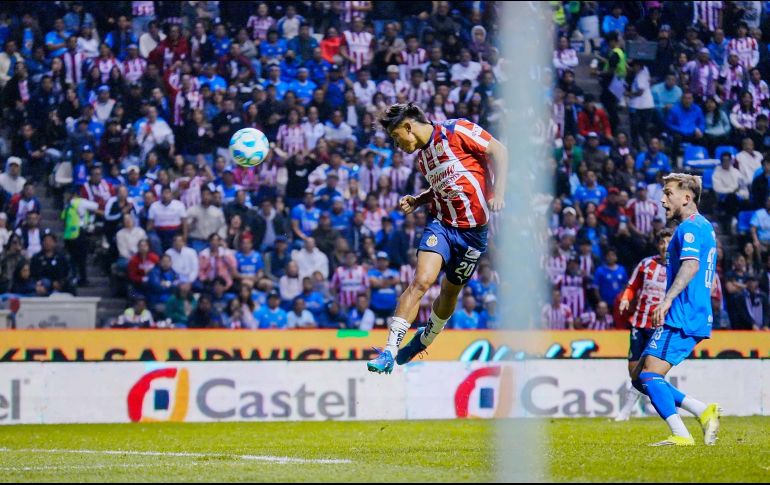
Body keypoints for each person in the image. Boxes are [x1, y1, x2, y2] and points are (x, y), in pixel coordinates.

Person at [367, 102, 507, 374]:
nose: (398, 146)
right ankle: (389, 351)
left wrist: (498, 193)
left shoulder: (457, 130)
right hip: (441, 225)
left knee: (450, 290)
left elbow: (499, 151)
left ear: (408, 126)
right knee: (420, 281)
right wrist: (420, 199)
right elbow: (443, 185)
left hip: (473, 233)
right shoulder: (423, 159)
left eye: (397, 138)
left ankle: (426, 337)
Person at [634, 173, 721, 446]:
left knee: (649, 375)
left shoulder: (689, 229)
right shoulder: (702, 225)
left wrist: (668, 299)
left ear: (686, 198)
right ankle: (702, 410)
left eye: (668, 193)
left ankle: (680, 434)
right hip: (690, 313)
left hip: (683, 315)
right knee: (639, 378)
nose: (662, 200)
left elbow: (691, 265)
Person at [615, 229, 673, 422]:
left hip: (661, 326)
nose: (665, 246)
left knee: (650, 371)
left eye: (669, 243)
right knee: (634, 371)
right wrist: (625, 299)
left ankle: (627, 411)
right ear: (658, 245)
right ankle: (634, 408)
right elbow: (632, 286)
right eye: (662, 242)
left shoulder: (678, 269)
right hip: (639, 323)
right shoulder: (646, 264)